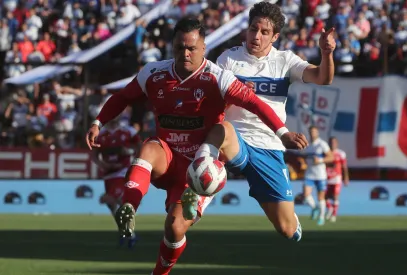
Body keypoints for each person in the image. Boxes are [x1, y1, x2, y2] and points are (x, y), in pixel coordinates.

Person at [85, 17, 306, 275]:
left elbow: (256, 104)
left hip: (199, 165)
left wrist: (282, 133)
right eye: (180, 48)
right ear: (172, 48)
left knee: (174, 227)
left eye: (192, 48)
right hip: (167, 156)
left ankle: (161, 271)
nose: (186, 53)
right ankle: (129, 208)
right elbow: (123, 97)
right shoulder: (153, 73)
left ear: (203, 49)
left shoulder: (218, 78)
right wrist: (98, 121)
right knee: (148, 148)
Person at [181, 2, 335, 241]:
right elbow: (213, 106)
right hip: (236, 140)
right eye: (253, 29)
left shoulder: (285, 61)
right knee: (221, 129)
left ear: (274, 36)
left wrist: (327, 53)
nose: (256, 36)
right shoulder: (228, 59)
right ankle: (198, 190)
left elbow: (323, 78)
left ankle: (292, 222)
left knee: (287, 230)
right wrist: (236, 94)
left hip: (269, 147)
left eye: (264, 32)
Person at [91, 116, 140, 248]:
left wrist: (129, 152)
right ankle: (127, 233)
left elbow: (140, 148)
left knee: (109, 199)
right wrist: (103, 164)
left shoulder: (128, 131)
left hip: (123, 171)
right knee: (114, 206)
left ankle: (130, 234)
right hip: (108, 174)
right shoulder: (100, 135)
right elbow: (94, 155)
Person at [300, 126, 333, 226]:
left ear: (317, 133)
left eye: (314, 132)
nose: (312, 133)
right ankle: (315, 208)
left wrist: (320, 160)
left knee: (320, 197)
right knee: (306, 194)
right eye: (311, 132)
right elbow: (304, 157)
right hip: (309, 173)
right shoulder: (308, 145)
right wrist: (303, 162)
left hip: (320, 175)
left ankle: (321, 217)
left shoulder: (322, 144)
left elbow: (331, 157)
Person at [325, 136, 349, 223]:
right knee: (325, 197)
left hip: (337, 178)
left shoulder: (341, 153)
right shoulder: (326, 153)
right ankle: (330, 208)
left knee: (335, 196)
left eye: (334, 142)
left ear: (337, 143)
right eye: (331, 142)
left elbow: (344, 167)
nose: (333, 144)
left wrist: (346, 177)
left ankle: (334, 215)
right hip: (327, 178)